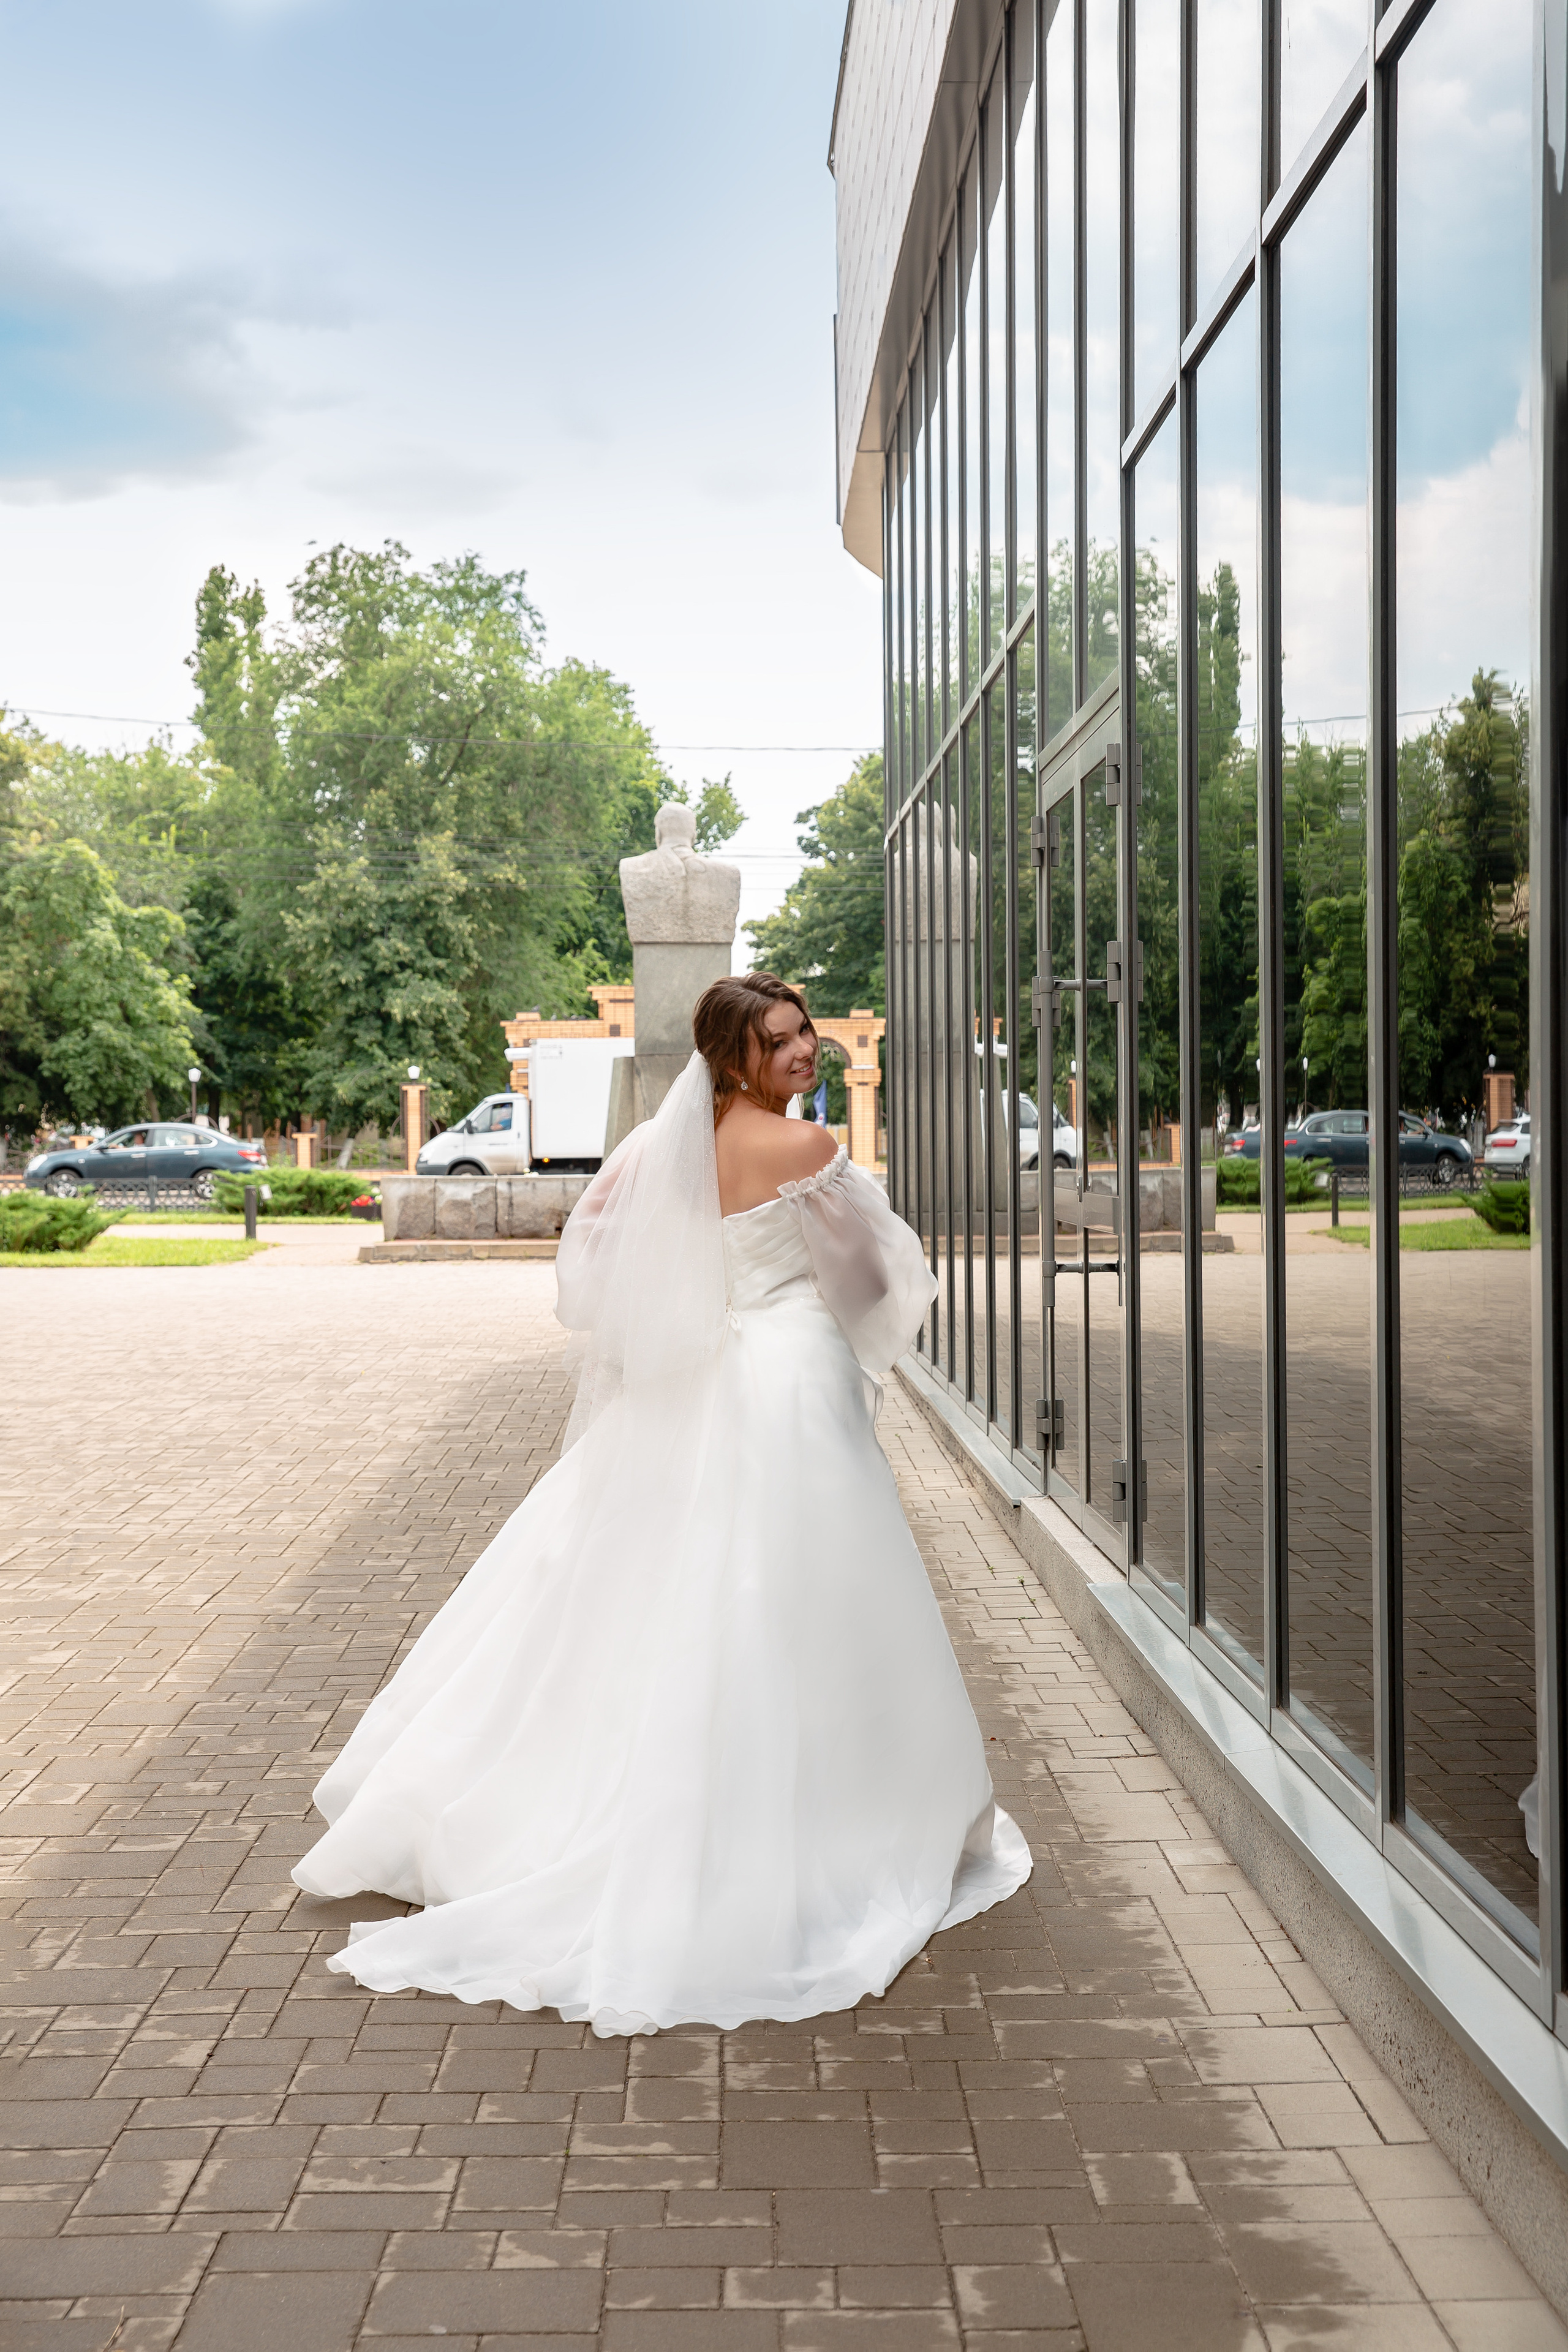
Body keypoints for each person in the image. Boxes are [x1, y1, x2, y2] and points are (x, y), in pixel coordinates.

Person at [292, 973, 1031, 2034]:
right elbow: (876, 1283)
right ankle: (827, 1822)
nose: (805, 1053)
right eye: (782, 1044)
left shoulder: (652, 1149)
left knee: (647, 1588)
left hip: (683, 1391)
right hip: (787, 1385)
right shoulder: (809, 1153)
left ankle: (622, 1804)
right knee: (798, 1601)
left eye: (807, 1034)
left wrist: (682, 1318)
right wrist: (831, 1328)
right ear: (737, 1058)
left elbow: (588, 1264)